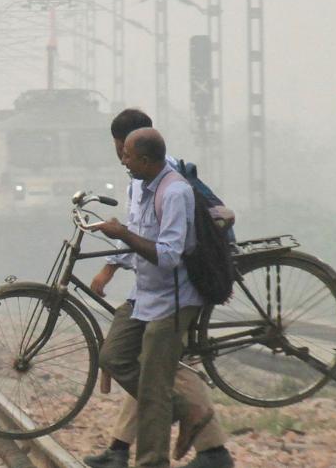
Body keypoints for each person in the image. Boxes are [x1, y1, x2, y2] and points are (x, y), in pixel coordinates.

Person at [84, 109, 231, 468]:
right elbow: (138, 229)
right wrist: (110, 265)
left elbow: (167, 254)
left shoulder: (174, 187)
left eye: (125, 154)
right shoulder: (143, 183)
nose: (122, 161)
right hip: (146, 293)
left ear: (142, 153)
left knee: (155, 388)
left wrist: (122, 237)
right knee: (118, 359)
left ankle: (164, 455)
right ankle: (181, 419)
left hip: (173, 297)